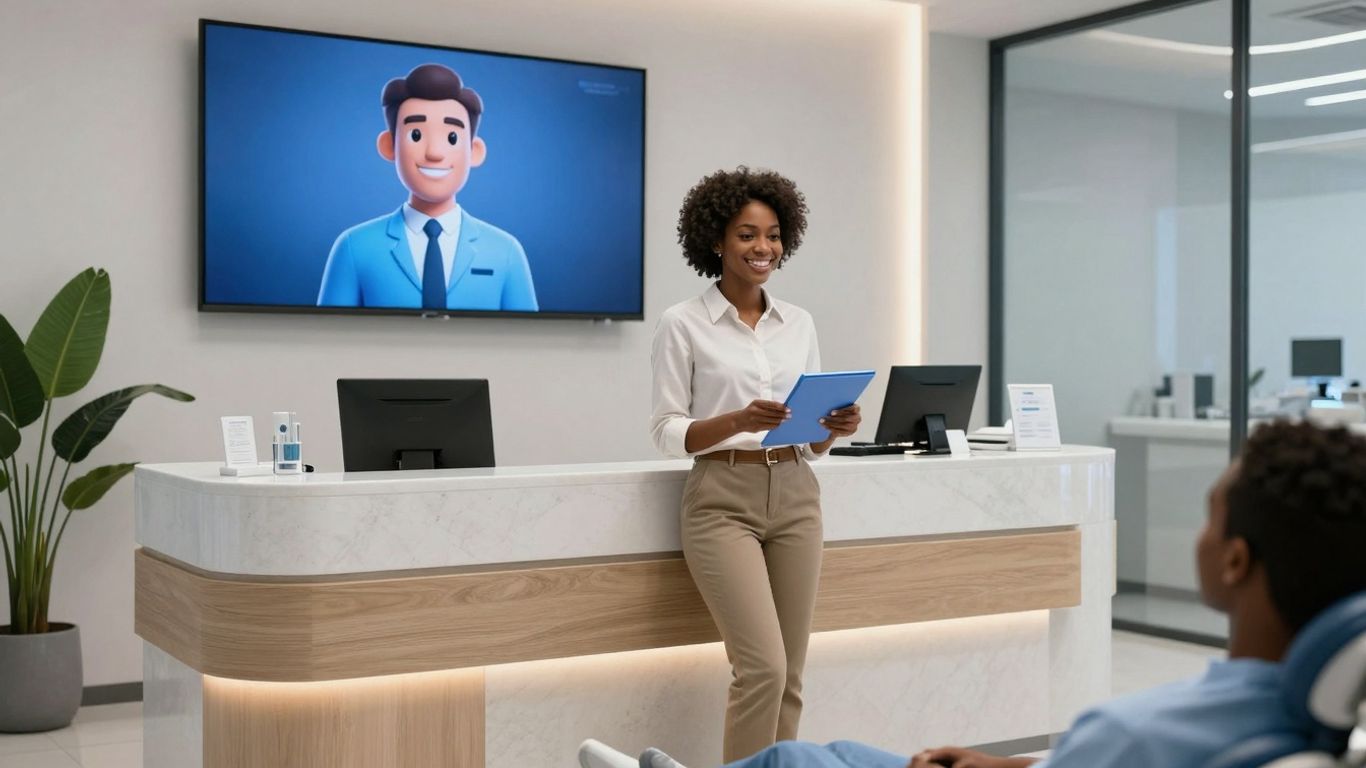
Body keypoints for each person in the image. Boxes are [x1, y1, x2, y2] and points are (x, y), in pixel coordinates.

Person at [582, 420, 1366, 768]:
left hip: (787, 490)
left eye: (1208, 517)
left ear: (1234, 562)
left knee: (799, 758)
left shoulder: (1147, 731)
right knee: (832, 751)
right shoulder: (1298, 713)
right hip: (726, 492)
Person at [648, 167, 862, 763]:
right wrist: (737, 421)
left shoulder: (800, 323)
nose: (762, 247)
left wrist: (833, 428)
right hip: (722, 499)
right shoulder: (682, 323)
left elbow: (809, 440)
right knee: (762, 668)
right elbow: (666, 431)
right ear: (716, 240)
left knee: (790, 673)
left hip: (796, 492)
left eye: (772, 235)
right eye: (746, 235)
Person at [317, 63, 537, 312]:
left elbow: (532, 335)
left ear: (475, 151)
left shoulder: (506, 251)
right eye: (416, 135)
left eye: (452, 138)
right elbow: (326, 332)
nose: (434, 152)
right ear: (389, 145)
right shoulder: (354, 247)